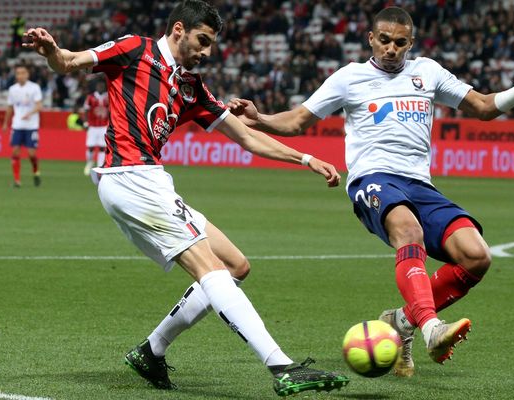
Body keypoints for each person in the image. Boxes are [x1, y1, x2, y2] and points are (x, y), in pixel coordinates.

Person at [22, 0, 348, 396]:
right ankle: (281, 366)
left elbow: (245, 136)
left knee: (235, 265)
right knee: (209, 268)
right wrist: (53, 51)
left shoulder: (190, 86)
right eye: (202, 41)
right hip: (130, 176)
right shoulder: (134, 49)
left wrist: (306, 157)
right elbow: (71, 62)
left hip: (150, 179)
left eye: (211, 44)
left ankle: (151, 351)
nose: (207, 52)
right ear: (179, 29)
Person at [228, 6, 514, 378]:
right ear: (371, 38)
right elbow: (298, 120)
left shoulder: (427, 71)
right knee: (409, 231)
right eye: (384, 40)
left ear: (410, 43)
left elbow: (481, 106)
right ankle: (431, 328)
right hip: (373, 179)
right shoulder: (349, 78)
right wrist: (260, 118)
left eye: (400, 42)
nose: (391, 49)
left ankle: (400, 321)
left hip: (420, 184)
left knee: (476, 255)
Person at [2, 64, 43, 188]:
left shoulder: (34, 87)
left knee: (31, 154)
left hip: (31, 125)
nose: (20, 75)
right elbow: (10, 107)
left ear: (27, 74)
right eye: (18, 73)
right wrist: (5, 123)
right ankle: (17, 180)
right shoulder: (12, 89)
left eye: (22, 73)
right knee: (15, 152)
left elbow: (39, 105)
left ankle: (35, 171)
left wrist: (29, 113)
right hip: (17, 125)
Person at [82, 80, 109, 175]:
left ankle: (100, 165)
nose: (100, 87)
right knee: (90, 147)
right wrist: (85, 122)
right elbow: (86, 110)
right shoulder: (91, 97)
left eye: (102, 86)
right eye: (99, 86)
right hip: (93, 126)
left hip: (104, 126)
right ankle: (89, 163)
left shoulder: (108, 96)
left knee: (102, 147)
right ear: (96, 87)